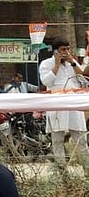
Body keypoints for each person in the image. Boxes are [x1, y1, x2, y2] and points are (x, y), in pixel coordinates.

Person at [38, 36, 89, 168]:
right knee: (58, 140)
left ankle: (87, 169)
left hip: (73, 103)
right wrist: (56, 65)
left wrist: (72, 61)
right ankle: (62, 171)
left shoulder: (71, 63)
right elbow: (46, 82)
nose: (65, 52)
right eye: (62, 49)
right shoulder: (46, 64)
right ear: (55, 51)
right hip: (57, 104)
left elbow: (83, 76)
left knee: (80, 138)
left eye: (67, 49)